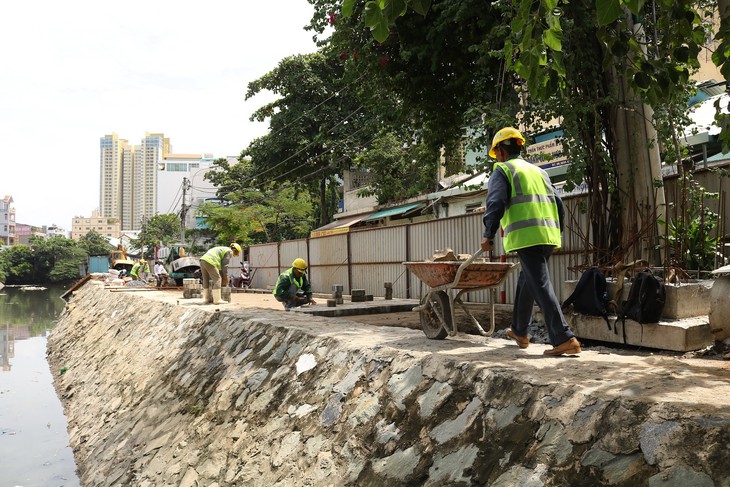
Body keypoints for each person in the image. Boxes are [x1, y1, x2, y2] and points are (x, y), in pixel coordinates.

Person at [481, 127, 581, 356]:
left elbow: (495, 203)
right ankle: (519, 330)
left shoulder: (503, 170)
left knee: (541, 284)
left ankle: (564, 337)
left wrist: (488, 235)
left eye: (497, 154)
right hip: (548, 234)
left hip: (527, 237)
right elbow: (559, 204)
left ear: (500, 152)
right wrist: (557, 234)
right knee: (528, 280)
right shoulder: (539, 172)